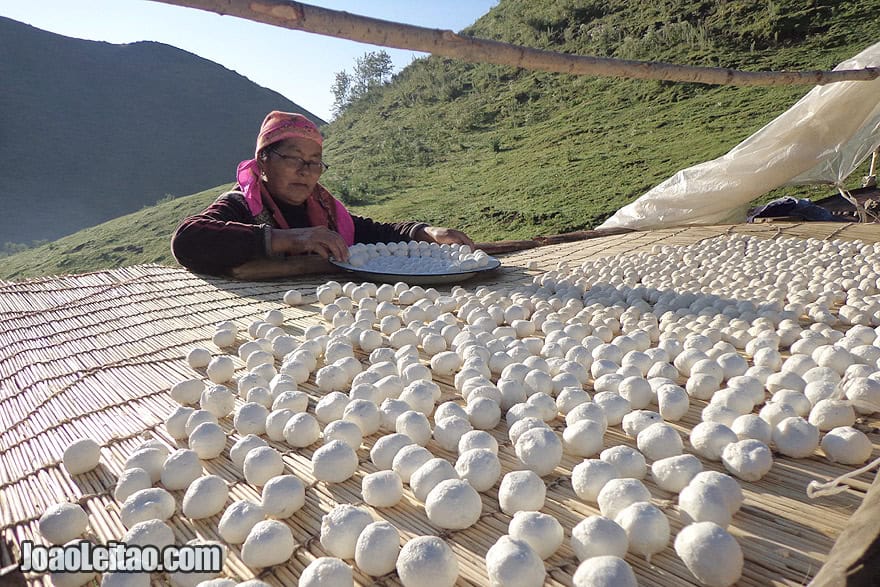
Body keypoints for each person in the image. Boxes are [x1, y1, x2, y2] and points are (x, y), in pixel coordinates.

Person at [171, 111, 473, 276]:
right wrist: (293, 238)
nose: (306, 171)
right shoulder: (240, 206)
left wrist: (425, 232)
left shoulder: (323, 209)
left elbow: (371, 231)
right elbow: (188, 238)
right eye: (293, 158)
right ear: (263, 161)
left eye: (315, 162)